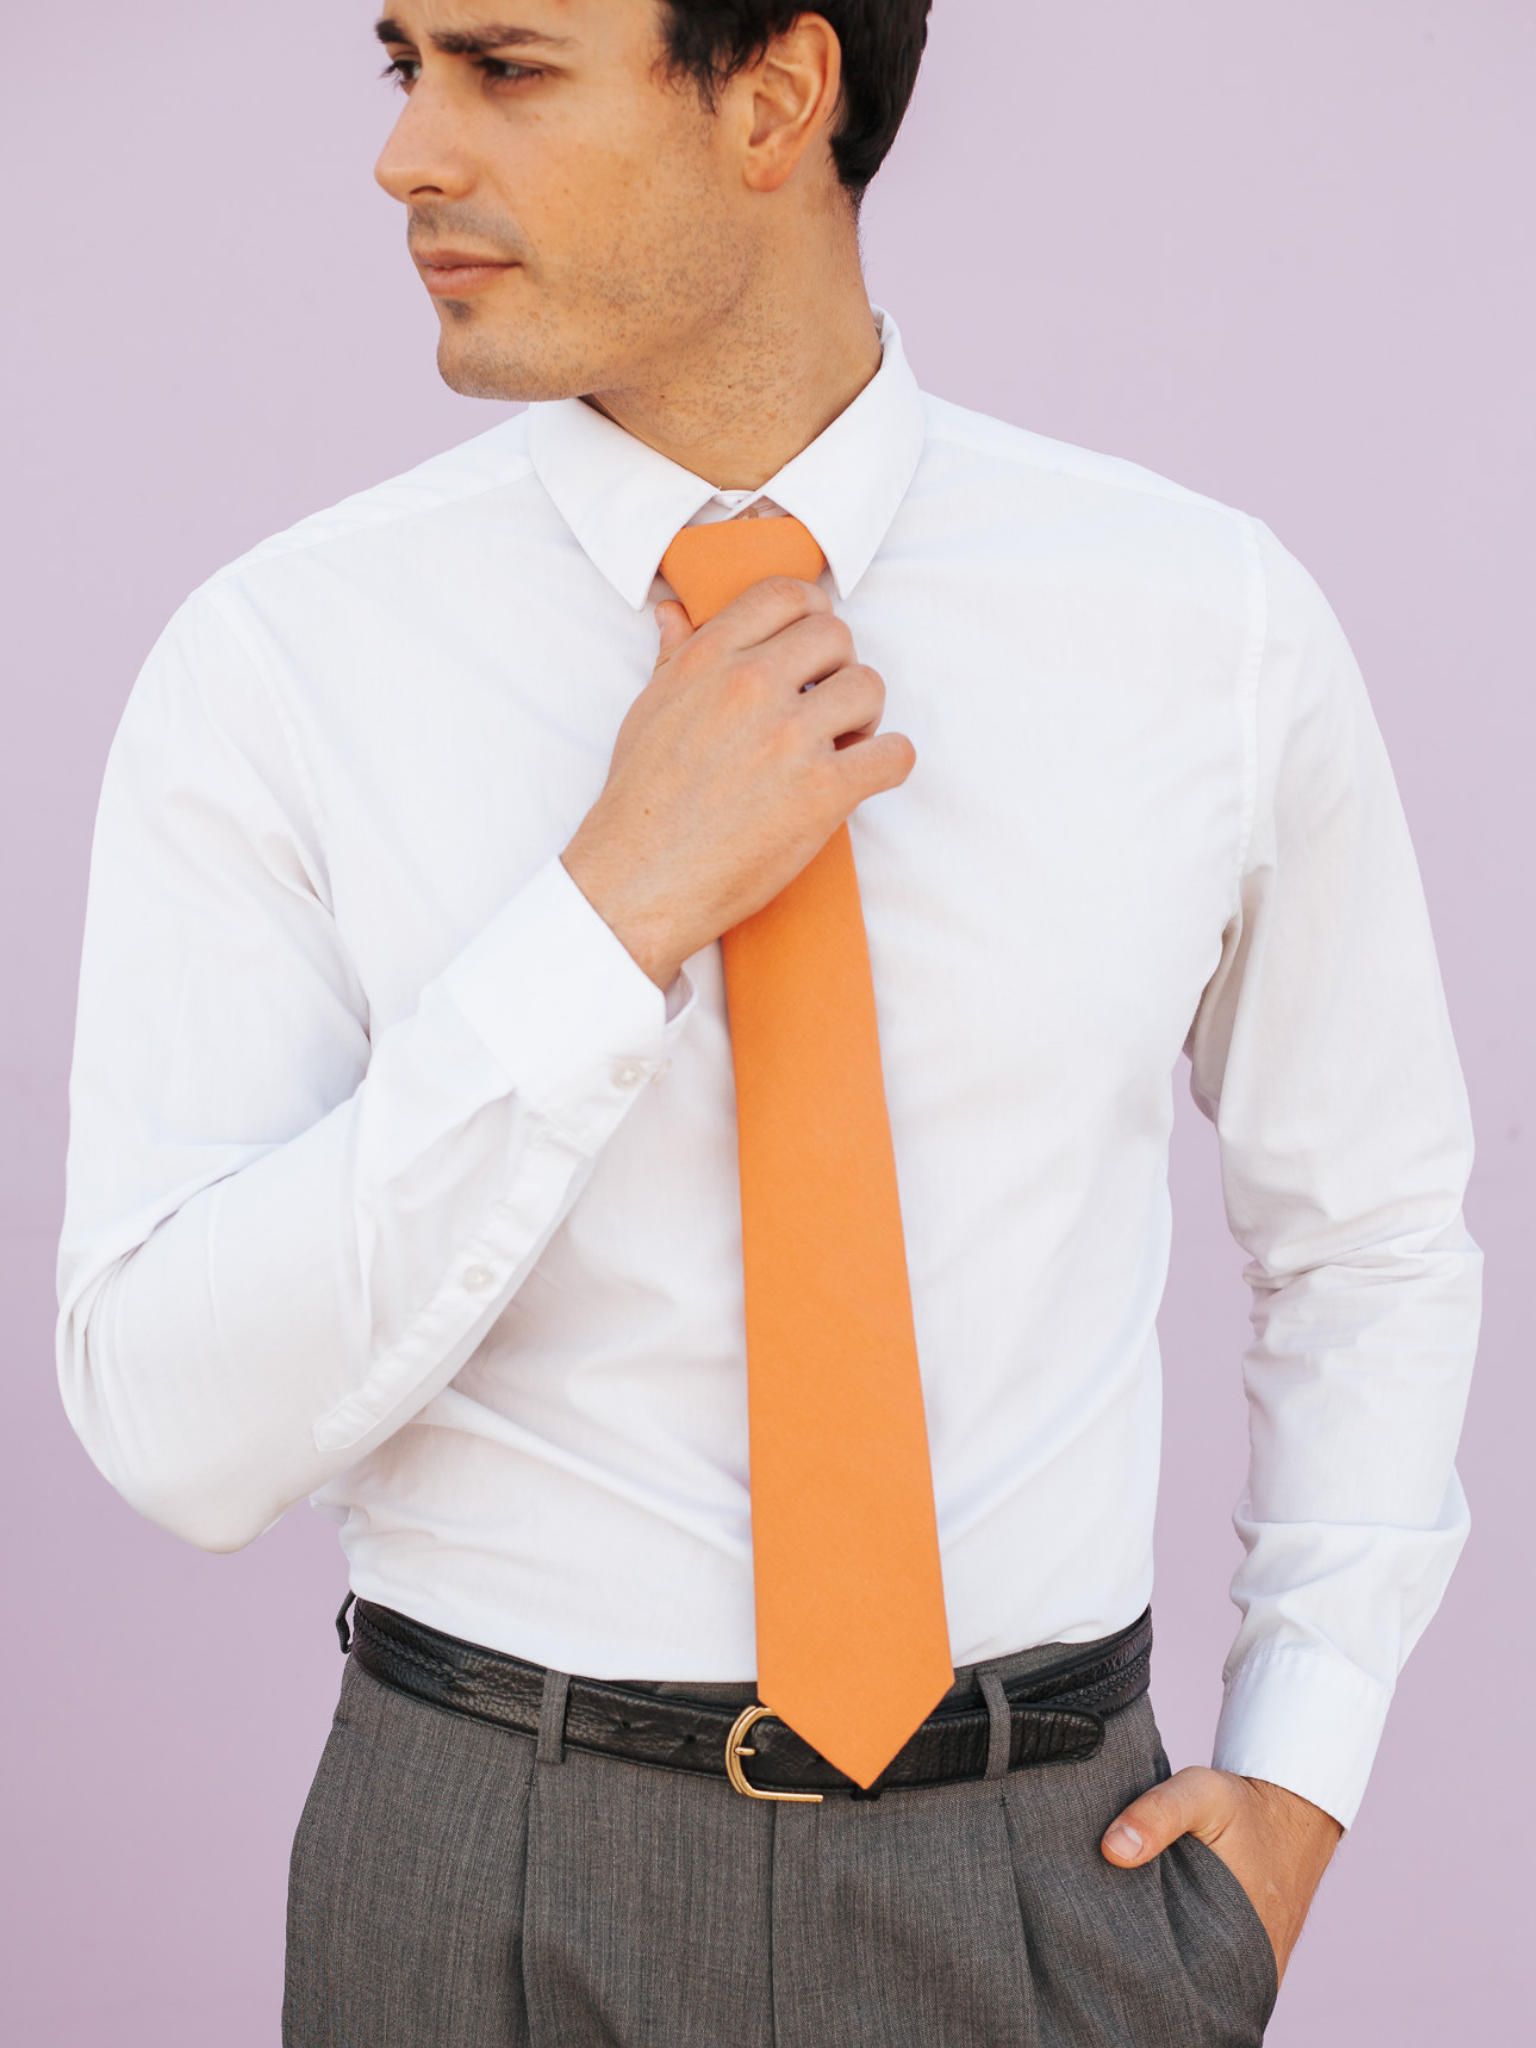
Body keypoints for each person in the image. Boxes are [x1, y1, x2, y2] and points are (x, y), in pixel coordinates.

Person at [57, 4, 1480, 2043]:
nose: (405, 158)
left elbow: (1376, 1233)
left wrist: (1305, 1772)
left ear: (779, 95)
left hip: (1050, 1882)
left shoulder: (1203, 626)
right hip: (476, 1884)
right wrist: (610, 911)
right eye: (405, 69)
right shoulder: (282, 668)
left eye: (508, 69)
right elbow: (174, 1424)